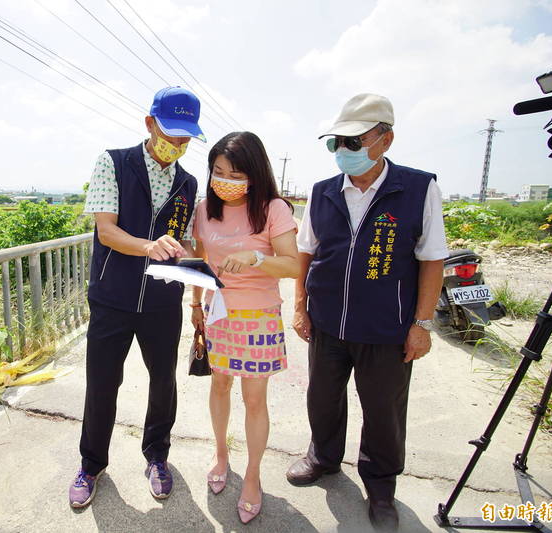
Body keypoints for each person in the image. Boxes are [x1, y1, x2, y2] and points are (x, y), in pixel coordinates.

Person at [285, 94, 448, 531]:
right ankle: (323, 456)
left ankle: (380, 486)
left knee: (383, 410)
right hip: (327, 322)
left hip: (386, 327)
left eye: (354, 141)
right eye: (336, 142)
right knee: (322, 396)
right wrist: (300, 306)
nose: (344, 151)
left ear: (385, 139)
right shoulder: (322, 193)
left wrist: (421, 325)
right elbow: (306, 252)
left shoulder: (416, 188)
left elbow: (432, 258)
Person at [69, 87, 206, 508]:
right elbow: (106, 231)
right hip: (112, 297)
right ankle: (91, 464)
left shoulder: (188, 181)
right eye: (171, 133)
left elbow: (182, 238)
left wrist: (198, 253)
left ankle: (157, 457)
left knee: (163, 382)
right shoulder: (113, 162)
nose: (178, 145)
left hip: (163, 302)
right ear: (150, 124)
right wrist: (149, 246)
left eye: (186, 138)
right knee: (103, 383)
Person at [190, 131, 301, 524]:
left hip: (258, 317)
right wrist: (194, 304)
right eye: (218, 171)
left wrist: (256, 257)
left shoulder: (273, 209)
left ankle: (252, 476)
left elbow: (293, 265)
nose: (225, 180)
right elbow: (200, 260)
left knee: (255, 399)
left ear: (253, 174)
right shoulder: (204, 209)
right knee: (219, 384)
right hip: (217, 313)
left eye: (235, 173)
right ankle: (221, 454)